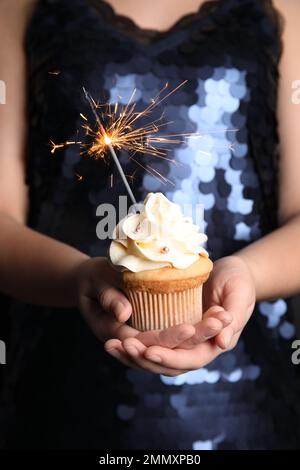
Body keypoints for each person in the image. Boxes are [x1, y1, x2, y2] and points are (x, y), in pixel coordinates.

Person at [0, 0, 300, 449]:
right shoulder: (17, 8)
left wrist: (247, 274)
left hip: (252, 403)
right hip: (60, 397)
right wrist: (78, 277)